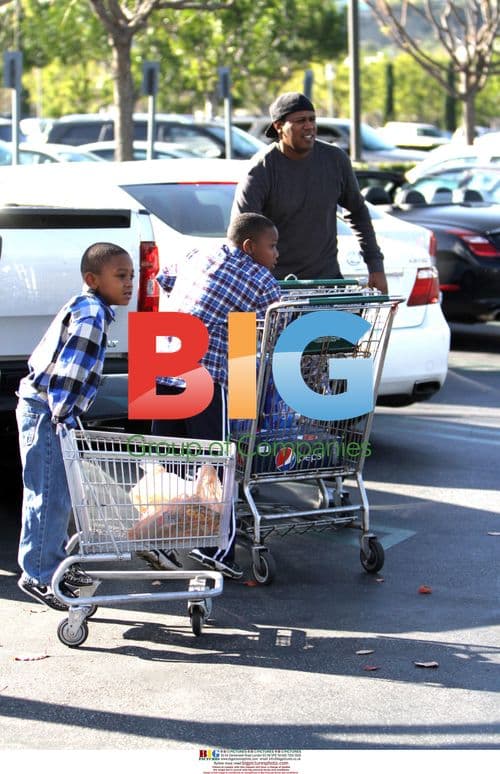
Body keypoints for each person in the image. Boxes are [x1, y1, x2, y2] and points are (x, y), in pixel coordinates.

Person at [150, 212, 281, 579]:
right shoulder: (260, 279)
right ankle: (215, 550)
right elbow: (280, 325)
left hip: (160, 364)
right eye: (271, 246)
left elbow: (165, 278)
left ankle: (156, 538)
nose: (276, 254)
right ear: (249, 246)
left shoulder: (197, 254)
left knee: (167, 461)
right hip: (205, 378)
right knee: (214, 464)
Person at [16, 242, 134, 610]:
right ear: (92, 279)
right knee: (49, 496)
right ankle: (38, 573)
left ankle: (47, 564)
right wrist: (64, 415)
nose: (129, 283)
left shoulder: (90, 308)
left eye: (132, 276)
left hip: (45, 408)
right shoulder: (92, 316)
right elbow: (69, 372)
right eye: (120, 276)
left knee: (56, 495)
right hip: (48, 411)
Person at [231, 91, 388, 293]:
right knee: (242, 326)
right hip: (276, 287)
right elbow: (241, 234)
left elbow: (358, 212)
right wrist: (249, 288)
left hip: (327, 284)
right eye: (300, 121)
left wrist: (376, 267)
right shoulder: (261, 169)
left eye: (312, 119)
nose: (309, 126)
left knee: (354, 325)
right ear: (279, 127)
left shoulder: (335, 159)